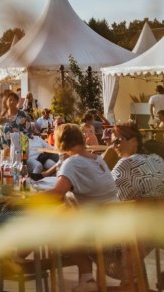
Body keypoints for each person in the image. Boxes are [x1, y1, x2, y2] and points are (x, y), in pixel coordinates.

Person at [45, 123, 119, 291]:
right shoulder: (98, 160)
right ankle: (86, 280)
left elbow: (57, 193)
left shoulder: (72, 163)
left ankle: (86, 278)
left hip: (99, 232)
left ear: (60, 142)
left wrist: (24, 198)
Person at [111, 122, 164, 200]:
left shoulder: (126, 163)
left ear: (134, 141)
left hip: (129, 211)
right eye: (112, 143)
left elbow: (107, 192)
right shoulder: (157, 159)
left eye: (117, 141)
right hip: (157, 210)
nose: (113, 146)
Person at [0, 91, 32, 166]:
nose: (12, 102)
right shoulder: (3, 115)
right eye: (10, 100)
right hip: (5, 149)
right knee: (6, 170)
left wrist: (24, 152)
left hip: (17, 150)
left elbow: (28, 132)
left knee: (16, 170)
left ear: (17, 102)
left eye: (14, 100)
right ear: (6, 102)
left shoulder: (23, 115)